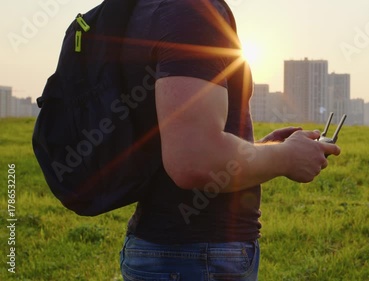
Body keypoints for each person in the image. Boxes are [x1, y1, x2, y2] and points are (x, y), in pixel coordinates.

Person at [119, 0, 341, 280]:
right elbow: (193, 161)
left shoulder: (151, 9)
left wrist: (260, 149)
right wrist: (286, 158)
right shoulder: (192, 13)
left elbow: (178, 138)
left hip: (174, 251)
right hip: (197, 257)